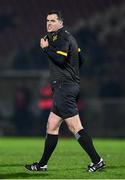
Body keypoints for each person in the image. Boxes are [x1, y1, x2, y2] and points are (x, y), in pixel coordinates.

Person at [25, 10, 105, 172]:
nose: (49, 23)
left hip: (64, 87)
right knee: (52, 125)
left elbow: (61, 59)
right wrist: (72, 73)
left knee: (75, 127)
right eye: (47, 20)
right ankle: (42, 165)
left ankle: (97, 161)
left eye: (53, 20)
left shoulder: (61, 37)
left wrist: (46, 49)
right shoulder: (67, 37)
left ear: (61, 23)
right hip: (66, 86)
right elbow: (81, 58)